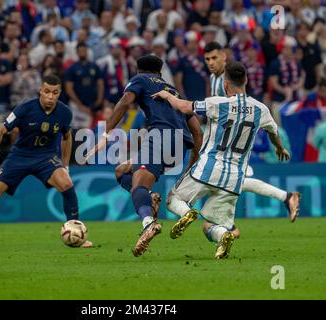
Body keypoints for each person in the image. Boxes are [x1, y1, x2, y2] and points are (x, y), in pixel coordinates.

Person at [152, 61, 291, 259]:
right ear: (247, 80)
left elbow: (184, 107)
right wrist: (280, 148)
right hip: (234, 179)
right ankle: (223, 236)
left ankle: (187, 213)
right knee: (213, 225)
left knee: (173, 199)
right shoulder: (261, 109)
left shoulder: (217, 103)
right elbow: (273, 132)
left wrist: (166, 95)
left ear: (226, 84)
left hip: (208, 169)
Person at [0, 75, 92, 251]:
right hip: (20, 156)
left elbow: (67, 138)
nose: (50, 96)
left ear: (59, 93)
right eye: (47, 91)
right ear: (41, 91)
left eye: (55, 93)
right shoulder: (25, 108)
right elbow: (1, 129)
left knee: (67, 183)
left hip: (45, 157)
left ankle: (76, 233)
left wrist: (65, 166)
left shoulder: (65, 113)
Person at [86, 55, 203, 257]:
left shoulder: (140, 80)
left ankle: (149, 224)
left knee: (139, 185)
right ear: (159, 72)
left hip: (160, 137)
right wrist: (193, 159)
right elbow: (197, 131)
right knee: (122, 170)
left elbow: (124, 102)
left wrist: (106, 134)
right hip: (179, 146)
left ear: (138, 70)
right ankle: (150, 199)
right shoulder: (173, 90)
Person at [204, 42, 301, 230]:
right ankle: (285, 197)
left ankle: (228, 226)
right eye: (207, 59)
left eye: (214, 58)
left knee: (223, 182)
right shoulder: (213, 78)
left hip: (231, 141)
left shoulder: (232, 76)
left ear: (224, 56)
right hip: (220, 141)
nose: (211, 62)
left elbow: (238, 108)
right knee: (233, 183)